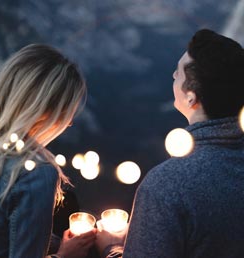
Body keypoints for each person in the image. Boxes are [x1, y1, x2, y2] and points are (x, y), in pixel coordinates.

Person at [96, 29, 244, 257]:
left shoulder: (167, 185)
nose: (173, 76)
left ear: (191, 97)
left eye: (178, 73)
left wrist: (112, 248)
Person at [0, 44, 96, 258]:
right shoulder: (36, 173)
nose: (69, 123)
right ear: (47, 111)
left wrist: (50, 242)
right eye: (68, 112)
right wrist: (65, 255)